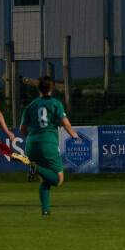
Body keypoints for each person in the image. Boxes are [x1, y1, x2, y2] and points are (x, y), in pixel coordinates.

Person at [19, 76, 80, 215]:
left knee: (45, 180)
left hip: (32, 144)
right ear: (52, 88)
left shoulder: (31, 105)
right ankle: (37, 168)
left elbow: (22, 128)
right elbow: (64, 122)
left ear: (38, 88)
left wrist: (30, 140)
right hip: (48, 144)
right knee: (58, 180)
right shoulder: (55, 104)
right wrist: (72, 134)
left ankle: (45, 211)